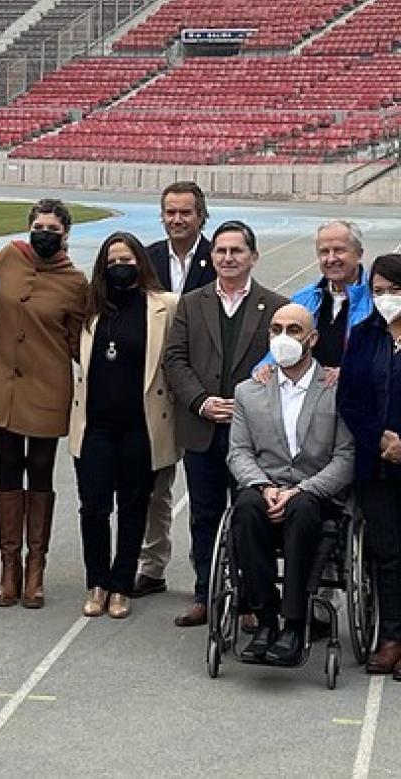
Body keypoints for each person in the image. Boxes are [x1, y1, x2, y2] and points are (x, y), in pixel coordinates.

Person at [164, 219, 287, 627]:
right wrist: (201, 402)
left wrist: (248, 406)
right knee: (204, 515)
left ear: (253, 256)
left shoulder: (276, 307)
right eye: (221, 250)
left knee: (250, 516)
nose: (228, 257)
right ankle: (206, 593)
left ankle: (251, 600)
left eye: (237, 250)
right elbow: (174, 360)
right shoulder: (191, 303)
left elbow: (286, 368)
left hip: (253, 437)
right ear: (211, 256)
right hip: (203, 430)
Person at [227, 304, 355, 665]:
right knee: (245, 508)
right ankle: (265, 619)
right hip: (265, 488)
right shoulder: (248, 392)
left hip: (315, 494)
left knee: (301, 508)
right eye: (277, 329)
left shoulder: (337, 389)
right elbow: (238, 451)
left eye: (294, 330)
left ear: (312, 338)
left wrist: (302, 490)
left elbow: (345, 457)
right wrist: (264, 487)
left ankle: (295, 624)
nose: (284, 337)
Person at [0, 198, 87, 609]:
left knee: (40, 471)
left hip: (48, 386)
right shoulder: (7, 258)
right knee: (8, 468)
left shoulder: (75, 281)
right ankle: (9, 566)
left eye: (53, 230)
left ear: (65, 234)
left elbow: (79, 341)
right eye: (39, 227)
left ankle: (36, 566)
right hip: (4, 385)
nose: (44, 235)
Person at [69, 233, 178, 619]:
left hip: (140, 428)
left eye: (127, 260)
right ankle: (97, 582)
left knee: (134, 508)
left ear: (140, 263)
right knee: (93, 508)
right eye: (112, 261)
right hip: (95, 426)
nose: (120, 267)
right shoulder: (89, 307)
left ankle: (121, 585)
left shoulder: (165, 306)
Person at [137, 181, 216, 599]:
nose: (177, 219)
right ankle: (152, 566)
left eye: (185, 212)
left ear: (201, 216)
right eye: (170, 212)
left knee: (208, 493)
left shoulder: (218, 257)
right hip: (158, 391)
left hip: (205, 391)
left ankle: (211, 576)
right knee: (154, 485)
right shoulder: (146, 259)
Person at [338, 254, 401, 679]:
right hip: (374, 464)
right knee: (387, 552)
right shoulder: (363, 336)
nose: (386, 298)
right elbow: (349, 399)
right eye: (378, 291)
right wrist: (379, 438)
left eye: (394, 290)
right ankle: (391, 636)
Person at [256, 220, 371, 379]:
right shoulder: (303, 299)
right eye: (324, 252)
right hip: (311, 391)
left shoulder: (376, 301)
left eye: (339, 250)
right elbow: (282, 342)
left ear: (359, 254)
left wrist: (350, 371)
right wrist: (265, 367)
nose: (331, 259)